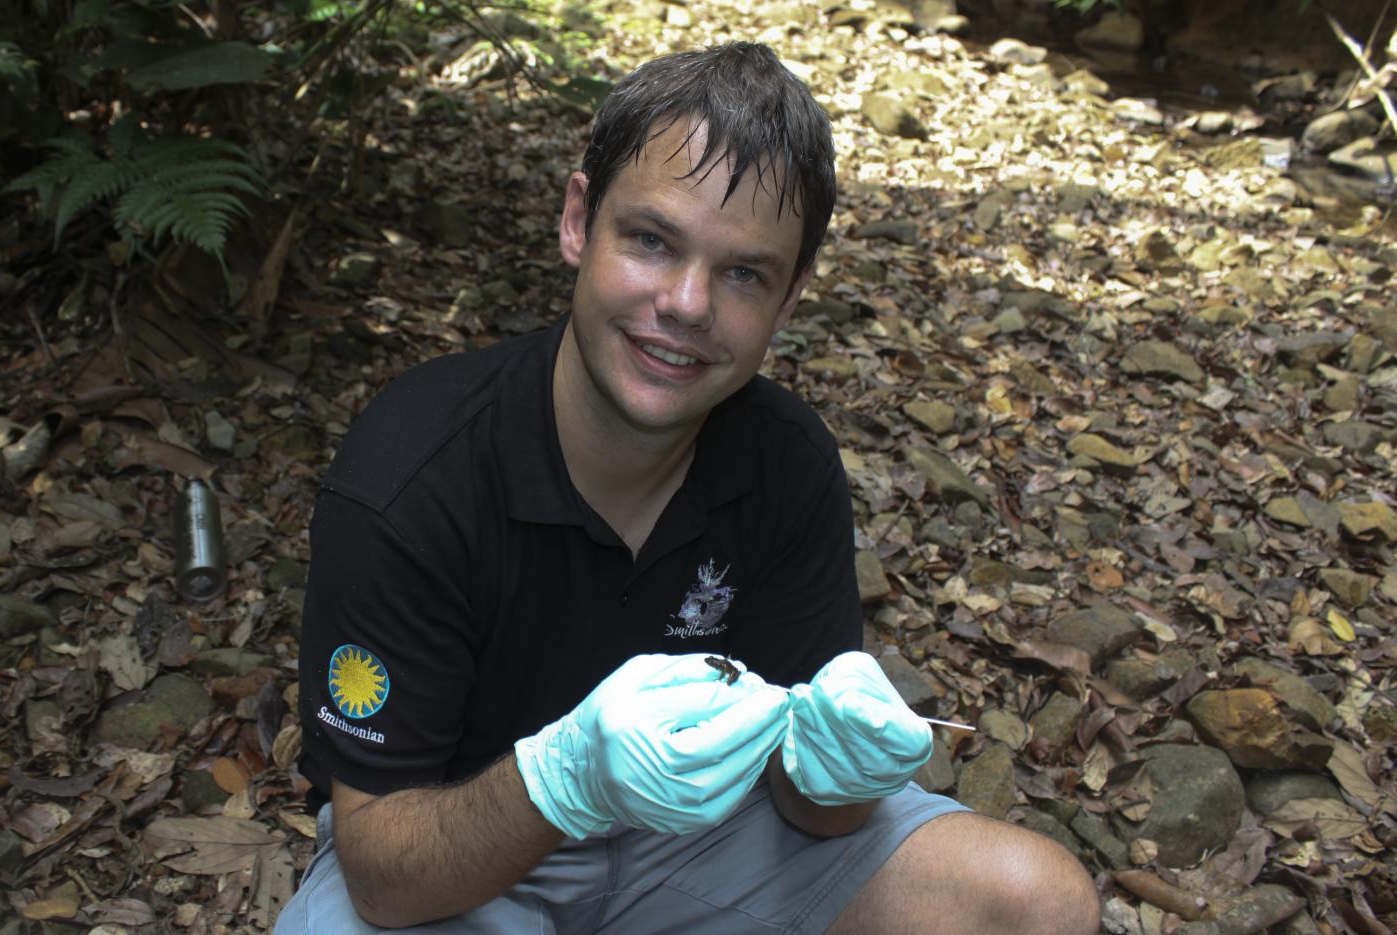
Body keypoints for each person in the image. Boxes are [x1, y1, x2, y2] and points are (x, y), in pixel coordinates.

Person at [275, 41, 1100, 934]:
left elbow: (809, 812)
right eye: (652, 240)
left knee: (1034, 902)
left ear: (790, 300)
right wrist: (564, 777)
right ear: (578, 220)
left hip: (709, 841)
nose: (688, 304)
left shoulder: (785, 463)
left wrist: (840, 774)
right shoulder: (412, 477)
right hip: (468, 859)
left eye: (744, 272)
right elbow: (385, 878)